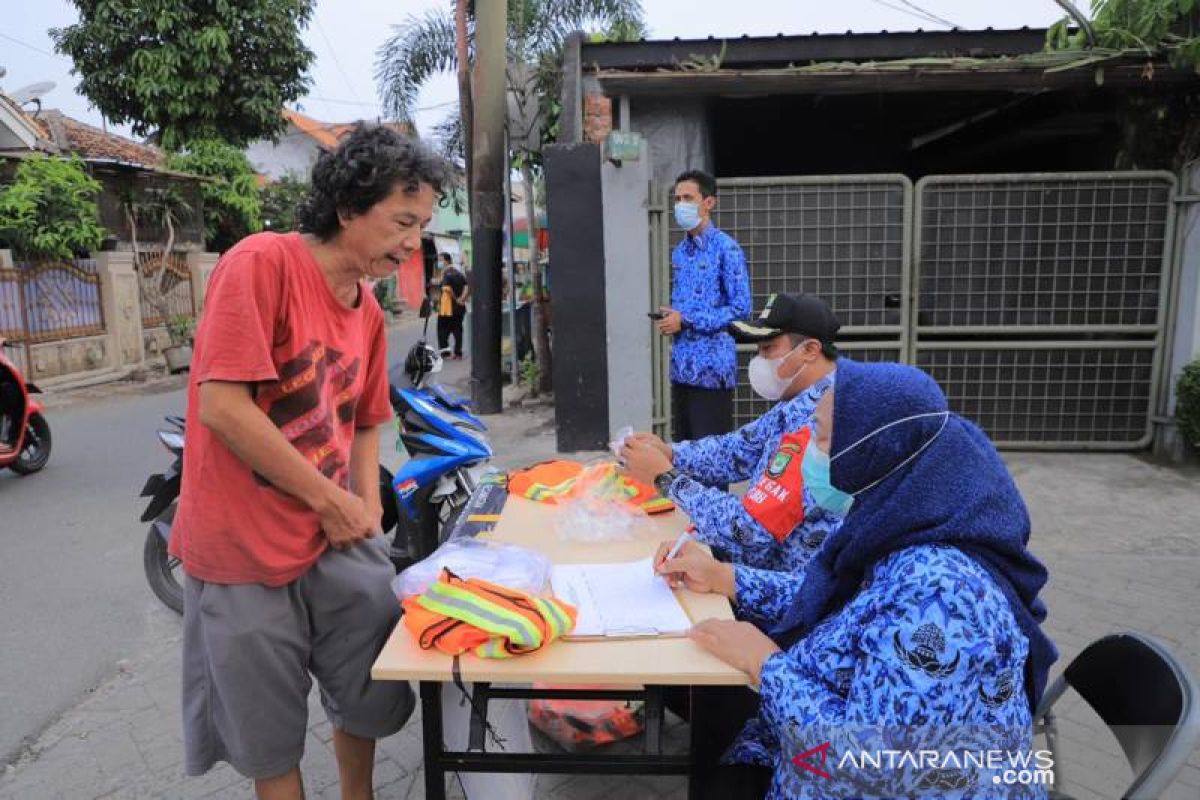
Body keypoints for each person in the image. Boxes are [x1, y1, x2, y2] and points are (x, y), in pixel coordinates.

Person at [169, 124, 451, 799]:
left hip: (334, 538)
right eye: (402, 221)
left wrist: (366, 507)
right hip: (241, 546)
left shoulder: (370, 312)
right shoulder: (262, 263)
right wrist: (331, 502)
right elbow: (224, 408)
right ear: (350, 207)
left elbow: (364, 419)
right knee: (268, 736)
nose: (413, 242)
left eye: (422, 225)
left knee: (367, 687)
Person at [655, 359, 1057, 799]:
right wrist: (725, 577)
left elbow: (876, 766)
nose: (809, 448)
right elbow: (842, 596)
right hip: (815, 746)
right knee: (714, 712)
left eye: (823, 436)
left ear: (872, 454)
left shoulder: (940, 595)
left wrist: (765, 665)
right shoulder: (899, 521)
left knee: (718, 713)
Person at [622, 293, 843, 578]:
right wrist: (671, 454)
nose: (760, 360)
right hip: (764, 576)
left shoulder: (823, 418)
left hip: (785, 594)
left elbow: (749, 531)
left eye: (768, 348)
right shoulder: (799, 401)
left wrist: (666, 478)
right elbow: (740, 449)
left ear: (810, 350)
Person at [660, 169, 751, 451]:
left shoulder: (727, 249)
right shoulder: (680, 252)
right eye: (677, 198)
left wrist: (685, 320)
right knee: (684, 456)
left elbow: (740, 309)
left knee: (711, 457)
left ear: (708, 202)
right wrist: (673, 317)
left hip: (712, 373)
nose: (680, 205)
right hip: (681, 370)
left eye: (688, 197)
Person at [436, 251, 469, 359]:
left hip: (448, 308)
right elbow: (466, 286)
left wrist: (455, 299)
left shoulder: (446, 274)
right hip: (460, 308)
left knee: (442, 331)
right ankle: (458, 353)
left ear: (446, 261)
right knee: (457, 330)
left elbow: (447, 289)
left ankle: (446, 353)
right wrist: (462, 299)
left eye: (440, 260)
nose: (438, 262)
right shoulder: (458, 273)